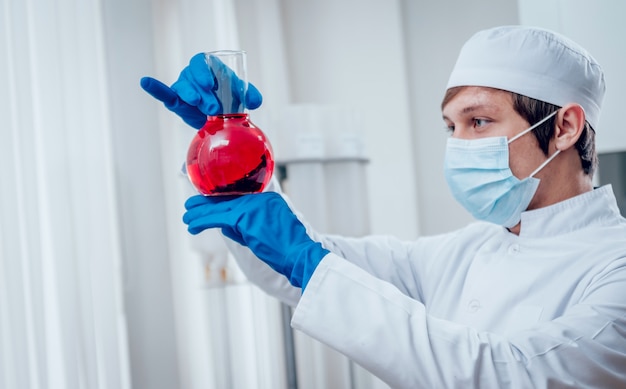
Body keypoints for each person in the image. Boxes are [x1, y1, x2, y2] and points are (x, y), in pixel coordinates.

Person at [141, 25, 626, 388]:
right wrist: (228, 152)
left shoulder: (615, 269)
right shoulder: (466, 251)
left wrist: (311, 262)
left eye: (478, 122)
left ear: (565, 127)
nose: (458, 144)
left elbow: (503, 373)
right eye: (450, 127)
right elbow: (307, 271)